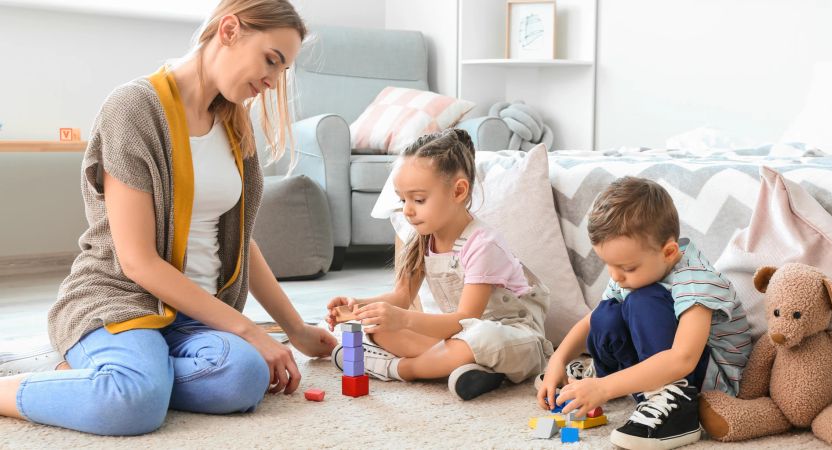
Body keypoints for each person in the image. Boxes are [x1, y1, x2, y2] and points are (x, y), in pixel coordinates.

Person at [0, 0, 336, 436]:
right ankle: (109, 380)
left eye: (282, 70)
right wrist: (250, 332)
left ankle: (116, 375)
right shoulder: (134, 109)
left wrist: (296, 329)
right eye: (271, 60)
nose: (272, 82)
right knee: (135, 407)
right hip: (121, 300)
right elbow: (138, 261)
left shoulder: (234, 125)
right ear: (230, 30)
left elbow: (239, 244)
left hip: (197, 315)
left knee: (244, 377)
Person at [326, 129, 553, 401]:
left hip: (510, 337)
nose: (408, 210)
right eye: (403, 199)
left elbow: (465, 320)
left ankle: (400, 368)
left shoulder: (483, 244)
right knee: (379, 328)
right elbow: (401, 297)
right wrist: (359, 307)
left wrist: (404, 318)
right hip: (456, 337)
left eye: (418, 199)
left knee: (480, 339)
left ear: (458, 191)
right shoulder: (422, 238)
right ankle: (469, 371)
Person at [535, 176, 751, 449]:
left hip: (703, 382)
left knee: (642, 300)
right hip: (654, 363)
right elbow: (591, 321)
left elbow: (683, 358)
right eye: (608, 266)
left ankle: (676, 406)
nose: (616, 276)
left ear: (669, 252)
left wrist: (604, 389)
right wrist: (557, 361)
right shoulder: (630, 272)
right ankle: (610, 382)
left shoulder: (696, 281)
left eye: (627, 268)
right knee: (606, 313)